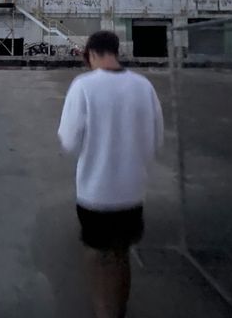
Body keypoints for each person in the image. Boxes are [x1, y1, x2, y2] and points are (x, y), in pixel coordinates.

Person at [58, 30, 163, 318]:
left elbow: (68, 141)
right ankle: (119, 311)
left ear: (91, 54)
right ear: (116, 52)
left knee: (98, 256)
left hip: (95, 192)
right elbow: (156, 141)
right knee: (121, 254)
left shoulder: (83, 86)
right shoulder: (144, 86)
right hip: (132, 192)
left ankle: (104, 312)